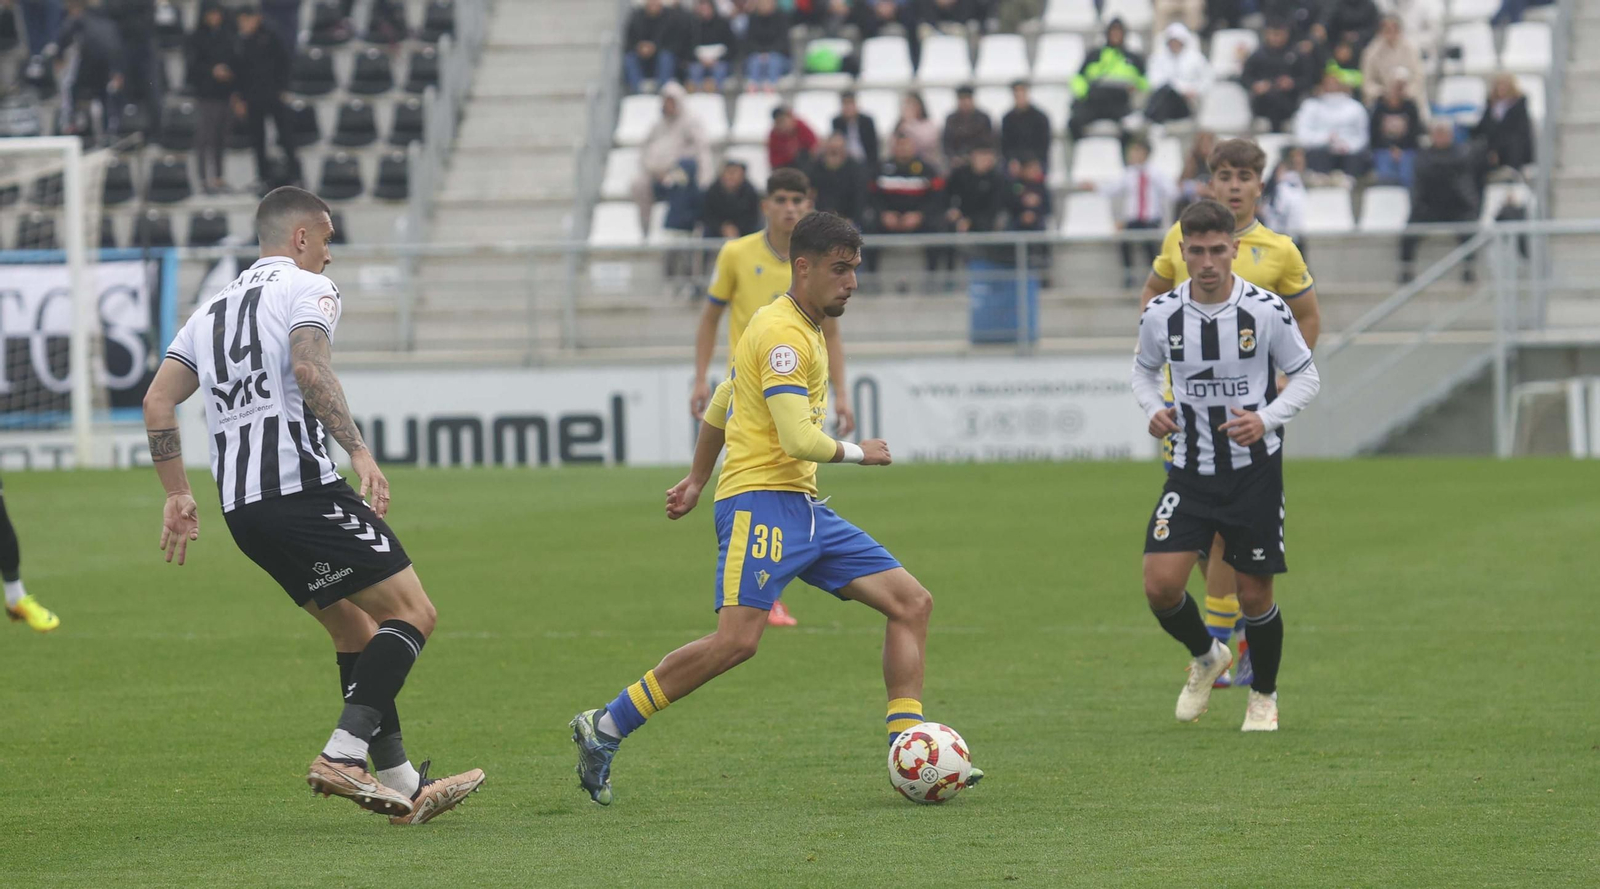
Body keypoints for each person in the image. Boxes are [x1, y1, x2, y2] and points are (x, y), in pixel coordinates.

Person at [571, 210, 984, 806]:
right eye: (840, 270)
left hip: (805, 507)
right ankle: (604, 727)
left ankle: (908, 746)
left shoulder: (797, 325)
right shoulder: (785, 336)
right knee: (736, 642)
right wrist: (857, 452)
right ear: (804, 266)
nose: (851, 282)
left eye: (856, 270)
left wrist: (693, 478)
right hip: (759, 505)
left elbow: (722, 400)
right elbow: (796, 438)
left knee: (911, 603)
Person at [141, 186, 484, 823]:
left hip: (244, 510)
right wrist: (359, 452)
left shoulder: (208, 311)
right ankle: (342, 753)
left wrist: (177, 494)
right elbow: (308, 367)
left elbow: (158, 402)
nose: (329, 255)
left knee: (354, 627)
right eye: (326, 239)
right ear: (301, 238)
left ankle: (403, 785)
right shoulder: (307, 290)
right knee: (414, 612)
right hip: (300, 490)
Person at [1138, 139, 1323, 686]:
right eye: (1224, 174)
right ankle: (1218, 646)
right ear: (1211, 182)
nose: (1234, 184)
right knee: (1193, 548)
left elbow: (1307, 318)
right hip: (1188, 420)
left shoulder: (1278, 251)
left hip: (1251, 425)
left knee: (1229, 546)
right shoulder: (1180, 236)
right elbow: (1152, 302)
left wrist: (1281, 386)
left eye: (1245, 175)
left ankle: (1231, 652)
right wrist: (1162, 376)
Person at [691, 170, 859, 630]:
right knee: (763, 472)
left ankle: (764, 588)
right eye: (781, 199)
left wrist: (842, 391)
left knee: (910, 600)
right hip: (747, 385)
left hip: (787, 384)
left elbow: (832, 331)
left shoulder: (825, 263)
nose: (790, 208)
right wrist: (699, 376)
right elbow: (709, 317)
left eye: (798, 199)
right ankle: (760, 593)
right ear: (766, 205)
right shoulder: (737, 255)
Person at [1401, 121, 1482, 284]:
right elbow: (1422, 177)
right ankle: (1406, 270)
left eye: (1443, 133)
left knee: (1469, 227)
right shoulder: (1424, 155)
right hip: (1429, 207)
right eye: (1437, 133)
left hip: (1456, 207)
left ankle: (1468, 270)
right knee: (1409, 230)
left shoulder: (1461, 153)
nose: (1440, 137)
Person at [631, 81, 714, 233]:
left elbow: (702, 150)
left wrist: (705, 180)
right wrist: (653, 171)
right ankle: (644, 229)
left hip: (680, 173)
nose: (667, 105)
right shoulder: (657, 125)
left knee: (679, 177)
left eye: (671, 101)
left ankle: (674, 226)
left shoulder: (690, 122)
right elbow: (644, 150)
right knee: (638, 185)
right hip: (655, 175)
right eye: (665, 101)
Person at [234, 4, 300, 191]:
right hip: (253, 98)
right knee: (258, 140)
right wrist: (240, 98)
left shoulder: (271, 36)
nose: (243, 25)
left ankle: (296, 175)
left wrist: (284, 88)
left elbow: (285, 63)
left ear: (255, 19)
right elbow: (240, 72)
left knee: (286, 136)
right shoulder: (242, 42)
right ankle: (263, 177)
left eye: (245, 21)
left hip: (274, 95)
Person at [1101, 140, 1176, 288]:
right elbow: (1112, 189)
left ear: (1145, 153)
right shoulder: (1127, 173)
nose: (1133, 155)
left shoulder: (1156, 173)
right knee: (1124, 242)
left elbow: (1171, 192)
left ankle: (1155, 277)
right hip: (1133, 218)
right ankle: (1128, 276)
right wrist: (1094, 187)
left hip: (1151, 218)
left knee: (1151, 249)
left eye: (1137, 151)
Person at [868, 132, 948, 273]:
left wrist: (920, 215)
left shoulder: (927, 169)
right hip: (888, 218)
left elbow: (937, 198)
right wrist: (883, 214)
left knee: (937, 227)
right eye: (900, 145)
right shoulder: (880, 168)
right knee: (867, 226)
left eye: (906, 145)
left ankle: (933, 275)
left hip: (918, 218)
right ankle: (871, 275)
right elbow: (871, 196)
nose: (903, 149)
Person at [51, 0, 125, 139]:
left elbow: (65, 34)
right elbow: (116, 45)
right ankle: (107, 131)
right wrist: (117, 70)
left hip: (90, 63)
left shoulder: (80, 18)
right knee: (103, 96)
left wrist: (59, 56)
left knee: (73, 89)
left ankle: (74, 125)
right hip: (108, 66)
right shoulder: (108, 21)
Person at [186, 1, 236, 195]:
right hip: (206, 95)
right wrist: (212, 71)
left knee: (221, 138)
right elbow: (192, 67)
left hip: (226, 93)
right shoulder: (196, 37)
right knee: (204, 138)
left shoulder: (228, 36)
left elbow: (236, 60)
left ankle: (219, 177)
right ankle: (203, 179)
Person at [1068, 17, 1145, 141]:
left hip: (1119, 102)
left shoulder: (1134, 58)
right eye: (1113, 31)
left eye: (1119, 32)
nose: (1116, 35)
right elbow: (1078, 78)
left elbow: (1145, 81)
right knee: (1074, 122)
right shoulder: (1094, 54)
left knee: (1132, 125)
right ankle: (1082, 151)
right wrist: (1084, 93)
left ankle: (1124, 157)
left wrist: (1136, 86)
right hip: (1095, 101)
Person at [1295, 71, 1371, 181]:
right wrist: (1325, 139)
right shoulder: (1310, 106)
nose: (1332, 87)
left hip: (1348, 151)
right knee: (1317, 156)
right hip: (1320, 150)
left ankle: (1350, 185)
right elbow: (1302, 135)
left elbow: (1363, 136)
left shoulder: (1355, 107)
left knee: (1357, 159)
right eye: (1328, 83)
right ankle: (1321, 186)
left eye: (1335, 83)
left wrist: (1347, 145)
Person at [1242, 20, 1312, 133]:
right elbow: (1245, 78)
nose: (1276, 38)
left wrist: (1292, 83)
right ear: (1267, 34)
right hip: (1263, 100)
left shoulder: (1297, 54)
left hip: (1289, 100)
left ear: (1286, 34)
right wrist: (1256, 85)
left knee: (1279, 99)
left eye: (1279, 34)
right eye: (1273, 34)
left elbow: (1308, 79)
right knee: (1270, 97)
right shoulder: (1258, 55)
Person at [1144, 22, 1210, 126]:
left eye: (1177, 41)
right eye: (1172, 41)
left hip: (1185, 103)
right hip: (1165, 98)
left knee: (1166, 95)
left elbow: (1207, 80)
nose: (1174, 44)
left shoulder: (1196, 59)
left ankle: (1148, 118)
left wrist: (1194, 91)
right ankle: (1156, 122)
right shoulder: (1158, 58)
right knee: (1166, 92)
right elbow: (1152, 80)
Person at [1472, 73, 1535, 175]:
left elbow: (1520, 132)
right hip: (1491, 149)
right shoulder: (1491, 106)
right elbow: (1483, 127)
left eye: (1504, 85)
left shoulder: (1518, 107)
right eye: (1499, 85)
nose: (1501, 88)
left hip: (1512, 152)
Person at [1370, 73, 1423, 190]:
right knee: (1385, 172)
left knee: (1407, 169)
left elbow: (1415, 132)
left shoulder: (1410, 107)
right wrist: (1390, 147)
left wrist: (1400, 148)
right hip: (1383, 148)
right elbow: (1375, 134)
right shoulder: (1379, 108)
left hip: (1407, 148)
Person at [944, 139, 1007, 234]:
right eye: (982, 155)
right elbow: (948, 195)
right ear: (973, 156)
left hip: (983, 222)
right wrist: (952, 210)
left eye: (989, 156)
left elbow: (994, 208)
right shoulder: (960, 174)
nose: (986, 160)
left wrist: (971, 221)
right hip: (960, 218)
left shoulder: (996, 178)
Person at [807, 132, 870, 227]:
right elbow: (809, 195)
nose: (834, 153)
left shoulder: (856, 170)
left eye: (838, 149)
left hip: (849, 220)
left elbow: (860, 198)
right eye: (831, 149)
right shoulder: (814, 168)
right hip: (819, 220)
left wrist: (852, 220)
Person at [1359, 15, 1423, 105]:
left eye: (1394, 29)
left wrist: (1405, 93)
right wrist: (1384, 93)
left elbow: (1418, 78)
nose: (1391, 33)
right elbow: (1367, 82)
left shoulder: (1411, 49)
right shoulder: (1371, 52)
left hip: (1408, 99)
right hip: (1382, 101)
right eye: (1387, 29)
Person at [623, 0, 684, 94]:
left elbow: (675, 43)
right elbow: (629, 42)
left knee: (666, 58)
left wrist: (655, 48)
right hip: (641, 58)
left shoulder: (671, 17)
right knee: (629, 58)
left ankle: (663, 91)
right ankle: (637, 91)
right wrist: (639, 47)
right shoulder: (636, 17)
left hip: (661, 56)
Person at [700, 159, 762, 238]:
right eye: (729, 172)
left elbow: (753, 216)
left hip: (744, 230)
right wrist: (723, 227)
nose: (731, 177)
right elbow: (708, 215)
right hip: (717, 230)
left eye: (735, 172)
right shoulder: (712, 191)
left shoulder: (750, 192)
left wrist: (737, 228)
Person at [1000, 80, 1051, 175]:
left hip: (1036, 160)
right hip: (1015, 161)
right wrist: (1013, 160)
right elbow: (1005, 145)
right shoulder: (1007, 118)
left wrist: (1031, 162)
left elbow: (1043, 145)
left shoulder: (1040, 117)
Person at [684, 0, 734, 93]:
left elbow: (732, 48)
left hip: (719, 61)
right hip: (699, 61)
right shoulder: (694, 26)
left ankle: (714, 93)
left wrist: (716, 59)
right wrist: (700, 59)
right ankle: (696, 94)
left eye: (706, 8)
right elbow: (687, 48)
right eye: (702, 9)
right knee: (694, 70)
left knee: (720, 69)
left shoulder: (723, 24)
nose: (704, 11)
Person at [742, 0, 790, 92]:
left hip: (778, 55)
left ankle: (771, 87)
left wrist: (768, 53)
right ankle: (752, 87)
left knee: (774, 61)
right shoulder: (752, 19)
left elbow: (783, 43)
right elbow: (749, 42)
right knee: (754, 61)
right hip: (757, 54)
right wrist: (762, 53)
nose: (765, 5)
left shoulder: (781, 18)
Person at [941, 85, 993, 169]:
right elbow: (947, 144)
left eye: (967, 98)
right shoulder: (951, 119)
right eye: (962, 99)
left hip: (979, 161)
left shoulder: (983, 118)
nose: (965, 102)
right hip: (956, 162)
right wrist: (954, 157)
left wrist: (973, 157)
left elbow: (987, 143)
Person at [894, 92, 943, 174]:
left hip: (927, 165)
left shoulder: (929, 124)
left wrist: (910, 124)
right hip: (904, 165)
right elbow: (894, 144)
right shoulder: (900, 124)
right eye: (907, 105)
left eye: (913, 105)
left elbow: (926, 143)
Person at [832, 90, 880, 168]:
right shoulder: (837, 122)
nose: (848, 107)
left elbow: (873, 147)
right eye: (845, 104)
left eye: (850, 103)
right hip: (846, 163)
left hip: (865, 161)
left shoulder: (867, 121)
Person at [768, 105, 817, 170]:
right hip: (786, 168)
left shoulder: (801, 127)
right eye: (778, 122)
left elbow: (814, 146)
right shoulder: (774, 136)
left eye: (783, 121)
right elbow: (774, 161)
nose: (782, 125)